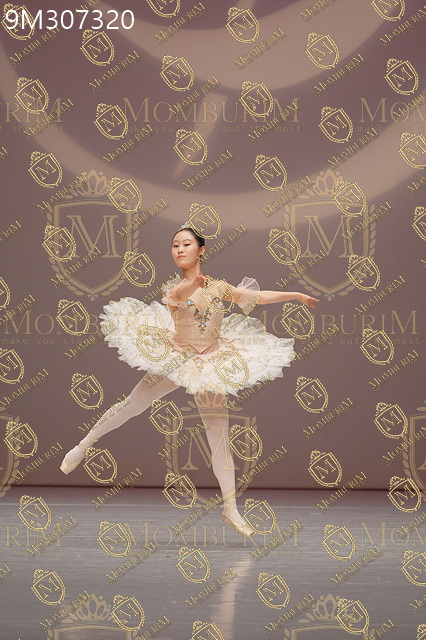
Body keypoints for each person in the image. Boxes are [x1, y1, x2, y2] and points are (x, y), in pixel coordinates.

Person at [60, 224, 319, 537]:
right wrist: (192, 284)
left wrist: (296, 295)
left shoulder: (219, 287)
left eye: (186, 244)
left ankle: (230, 509)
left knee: (218, 434)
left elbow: (258, 297)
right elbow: (177, 296)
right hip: (177, 357)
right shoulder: (174, 288)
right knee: (133, 405)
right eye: (175, 245)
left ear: (201, 249)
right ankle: (85, 444)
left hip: (210, 362)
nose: (180, 249)